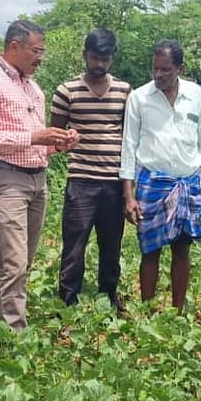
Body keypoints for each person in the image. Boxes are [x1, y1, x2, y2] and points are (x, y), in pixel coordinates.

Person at [0, 20, 79, 330]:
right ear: (14, 46)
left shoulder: (32, 87)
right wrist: (36, 137)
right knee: (14, 261)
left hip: (35, 179)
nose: (41, 57)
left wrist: (57, 142)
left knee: (20, 261)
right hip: (4, 180)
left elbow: (35, 143)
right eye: (37, 50)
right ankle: (15, 336)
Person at [121, 39, 201, 312]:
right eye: (155, 69)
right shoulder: (139, 98)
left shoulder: (195, 96)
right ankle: (148, 310)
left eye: (165, 69)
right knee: (150, 250)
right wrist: (128, 195)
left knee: (181, 249)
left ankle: (177, 311)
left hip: (189, 182)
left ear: (180, 68)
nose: (159, 75)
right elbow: (128, 146)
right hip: (152, 184)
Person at [52, 28, 131, 310]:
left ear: (112, 58)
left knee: (112, 246)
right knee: (74, 245)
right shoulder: (66, 91)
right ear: (85, 55)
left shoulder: (124, 91)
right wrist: (64, 142)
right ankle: (68, 299)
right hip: (81, 180)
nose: (99, 64)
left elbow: (129, 137)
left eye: (105, 59)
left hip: (113, 181)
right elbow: (55, 137)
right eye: (95, 58)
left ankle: (109, 295)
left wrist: (128, 188)